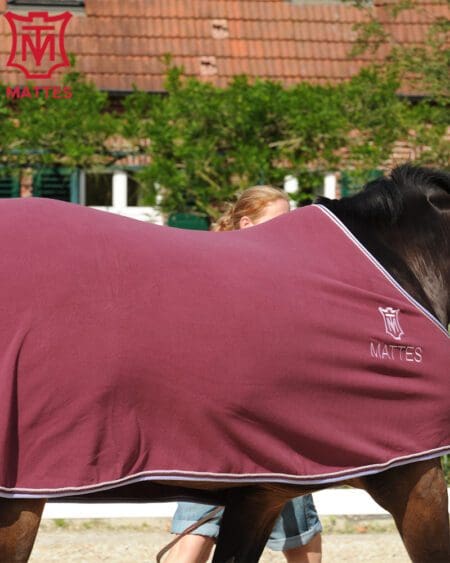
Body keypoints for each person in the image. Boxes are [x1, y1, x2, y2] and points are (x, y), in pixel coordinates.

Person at [165, 186, 322, 563]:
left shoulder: (270, 271)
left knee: (290, 530)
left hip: (253, 419)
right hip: (247, 422)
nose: (289, 231)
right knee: (199, 530)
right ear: (247, 223)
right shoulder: (236, 273)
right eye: (279, 221)